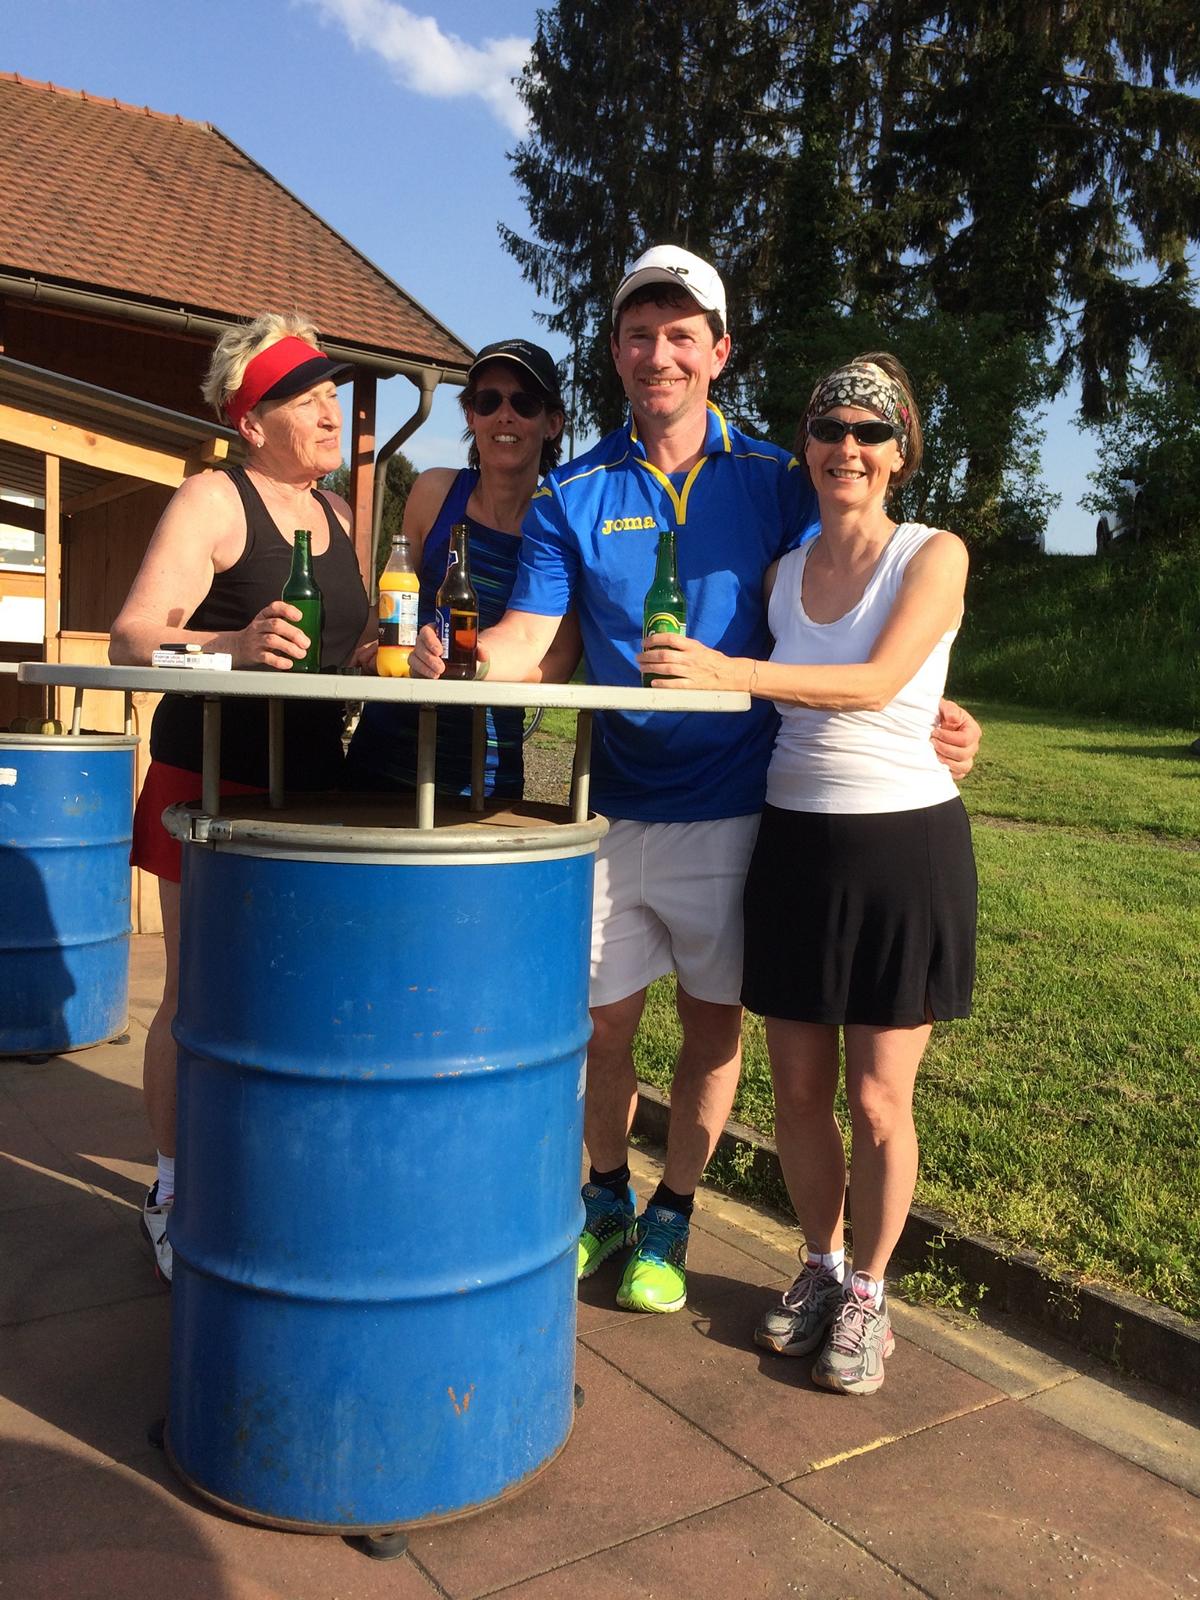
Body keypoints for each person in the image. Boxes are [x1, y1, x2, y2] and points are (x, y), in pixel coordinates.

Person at [410, 247, 980, 1317]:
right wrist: (466, 658)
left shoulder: (778, 476)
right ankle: (607, 1194)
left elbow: (861, 596)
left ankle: (675, 1210)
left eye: (681, 335)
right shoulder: (573, 489)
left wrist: (936, 708)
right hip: (613, 804)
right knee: (603, 1025)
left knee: (715, 1028)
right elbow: (532, 636)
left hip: (742, 808)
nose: (659, 354)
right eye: (639, 334)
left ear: (719, 351)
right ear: (615, 351)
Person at [641, 353, 976, 1395]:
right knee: (795, 1092)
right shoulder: (784, 572)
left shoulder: (934, 553)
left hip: (902, 845)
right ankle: (821, 1265)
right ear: (808, 446)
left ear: (902, 453)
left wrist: (733, 672)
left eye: (872, 433)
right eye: (830, 429)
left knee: (878, 1100)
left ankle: (871, 1292)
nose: (848, 448)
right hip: (791, 840)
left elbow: (879, 682)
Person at [109, 312, 371, 1283]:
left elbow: (340, 651)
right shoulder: (213, 499)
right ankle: (172, 1190)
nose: (330, 412)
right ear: (252, 421)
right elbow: (133, 639)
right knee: (196, 996)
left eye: (332, 394)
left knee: (293, 994)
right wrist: (228, 646)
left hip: (312, 791)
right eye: (306, 398)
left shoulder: (338, 515)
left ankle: (266, 1176)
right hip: (210, 785)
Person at [344, 339, 578, 798]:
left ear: (553, 423)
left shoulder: (563, 522)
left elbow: (558, 660)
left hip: (484, 779)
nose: (504, 416)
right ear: (471, 415)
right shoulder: (434, 492)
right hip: (382, 761)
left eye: (524, 403)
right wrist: (365, 648)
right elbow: (392, 605)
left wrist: (466, 665)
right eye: (488, 401)